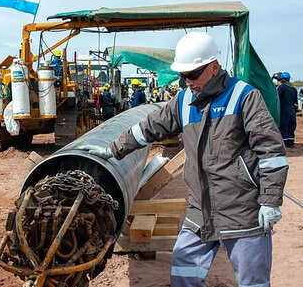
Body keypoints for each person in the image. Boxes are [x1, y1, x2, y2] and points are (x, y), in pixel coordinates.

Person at [79, 31, 288, 287]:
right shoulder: (184, 101)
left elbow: (271, 152)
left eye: (192, 74)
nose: (187, 81)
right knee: (183, 273)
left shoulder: (244, 97)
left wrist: (269, 201)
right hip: (200, 211)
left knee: (252, 281)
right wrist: (113, 149)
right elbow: (148, 128)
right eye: (183, 75)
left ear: (213, 67)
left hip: (241, 210)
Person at [274, 71, 297, 147]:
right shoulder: (293, 89)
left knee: (284, 126)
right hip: (292, 111)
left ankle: (284, 143)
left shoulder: (281, 87)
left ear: (282, 79)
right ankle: (291, 143)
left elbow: (277, 99)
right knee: (291, 127)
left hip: (284, 111)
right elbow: (295, 103)